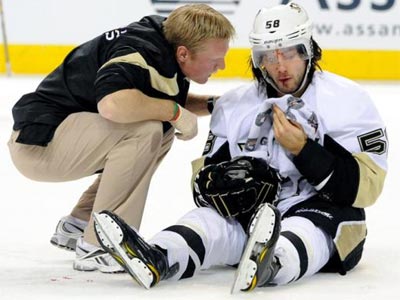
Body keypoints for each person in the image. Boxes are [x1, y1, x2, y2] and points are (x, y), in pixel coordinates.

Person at [92, 2, 388, 291]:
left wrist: (304, 151)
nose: (280, 66)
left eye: (288, 53)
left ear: (307, 50)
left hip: (321, 213)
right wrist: (225, 182)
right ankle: (159, 256)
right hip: (251, 218)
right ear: (257, 60)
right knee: (208, 221)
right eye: (269, 57)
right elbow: (202, 185)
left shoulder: (349, 101)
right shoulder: (234, 105)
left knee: (307, 229)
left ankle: (273, 262)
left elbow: (365, 187)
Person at [7, 4, 235, 273]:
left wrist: (217, 104)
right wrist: (173, 112)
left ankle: (81, 223)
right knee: (146, 130)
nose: (222, 66)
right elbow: (113, 105)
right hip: (39, 145)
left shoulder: (167, 45)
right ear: (183, 53)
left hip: (57, 135)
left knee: (158, 129)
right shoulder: (139, 52)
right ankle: (101, 244)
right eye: (215, 59)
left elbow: (156, 97)